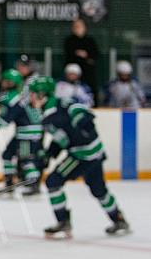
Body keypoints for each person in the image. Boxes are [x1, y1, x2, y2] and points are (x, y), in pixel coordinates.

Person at [28, 77, 129, 237]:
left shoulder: (59, 105)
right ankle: (118, 219)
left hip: (83, 154)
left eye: (32, 94)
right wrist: (49, 155)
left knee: (53, 181)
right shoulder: (46, 113)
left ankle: (63, 222)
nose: (30, 97)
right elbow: (61, 138)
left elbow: (78, 109)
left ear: (42, 94)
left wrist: (83, 120)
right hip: (92, 152)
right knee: (98, 190)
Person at [0, 69, 43, 196]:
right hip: (24, 132)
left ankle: (34, 184)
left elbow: (9, 115)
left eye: (9, 82)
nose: (5, 84)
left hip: (27, 133)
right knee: (7, 155)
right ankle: (9, 183)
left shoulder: (15, 97)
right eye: (5, 81)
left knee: (25, 159)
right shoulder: (19, 95)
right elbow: (8, 115)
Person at [63, 19, 99, 103]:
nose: (77, 28)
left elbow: (95, 55)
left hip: (87, 72)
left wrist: (86, 55)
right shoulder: (69, 41)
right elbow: (69, 54)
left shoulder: (90, 41)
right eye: (75, 27)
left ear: (84, 28)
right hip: (73, 71)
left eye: (79, 26)